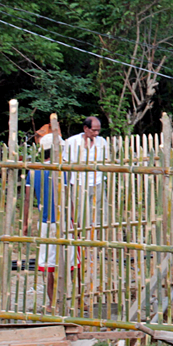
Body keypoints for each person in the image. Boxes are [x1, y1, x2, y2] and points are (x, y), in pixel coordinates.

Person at [62, 117, 109, 282]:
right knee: (83, 216)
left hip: (97, 182)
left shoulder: (102, 142)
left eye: (98, 130)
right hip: (80, 182)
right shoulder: (71, 142)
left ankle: (98, 243)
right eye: (93, 130)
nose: (96, 133)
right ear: (85, 129)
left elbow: (106, 161)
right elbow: (66, 162)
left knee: (100, 215)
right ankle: (84, 247)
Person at [25, 133, 60, 309]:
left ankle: (52, 301)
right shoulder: (61, 170)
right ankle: (72, 300)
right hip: (61, 221)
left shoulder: (33, 171)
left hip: (45, 222)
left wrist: (25, 223)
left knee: (48, 263)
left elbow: (27, 199)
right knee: (69, 263)